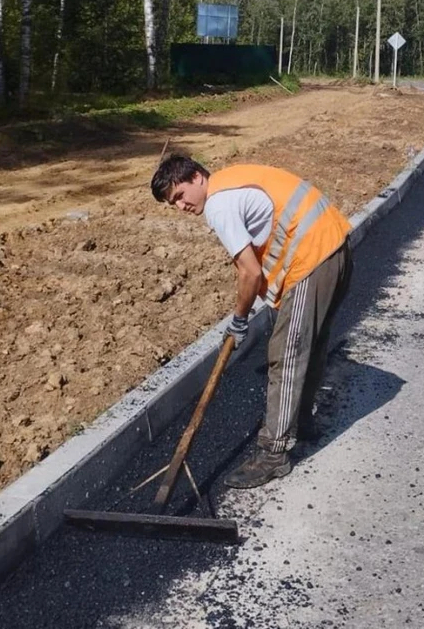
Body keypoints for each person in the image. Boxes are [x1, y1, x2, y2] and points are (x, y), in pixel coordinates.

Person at [151, 155, 353, 489]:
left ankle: (273, 455)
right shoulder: (233, 179)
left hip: (312, 258)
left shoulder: (218, 204)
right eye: (172, 204)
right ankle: (301, 423)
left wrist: (239, 319)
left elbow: (249, 271)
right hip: (336, 249)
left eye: (179, 195)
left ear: (197, 177)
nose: (180, 207)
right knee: (310, 347)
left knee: (286, 357)